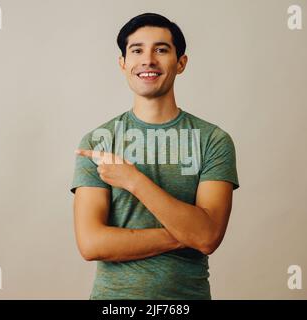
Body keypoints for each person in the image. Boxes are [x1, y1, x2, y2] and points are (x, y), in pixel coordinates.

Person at [70, 12, 240, 300]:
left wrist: (133, 180)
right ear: (123, 63)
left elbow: (207, 238)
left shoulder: (213, 140)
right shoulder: (99, 142)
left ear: (181, 62)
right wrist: (186, 233)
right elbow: (91, 244)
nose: (148, 60)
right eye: (137, 50)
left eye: (161, 50)